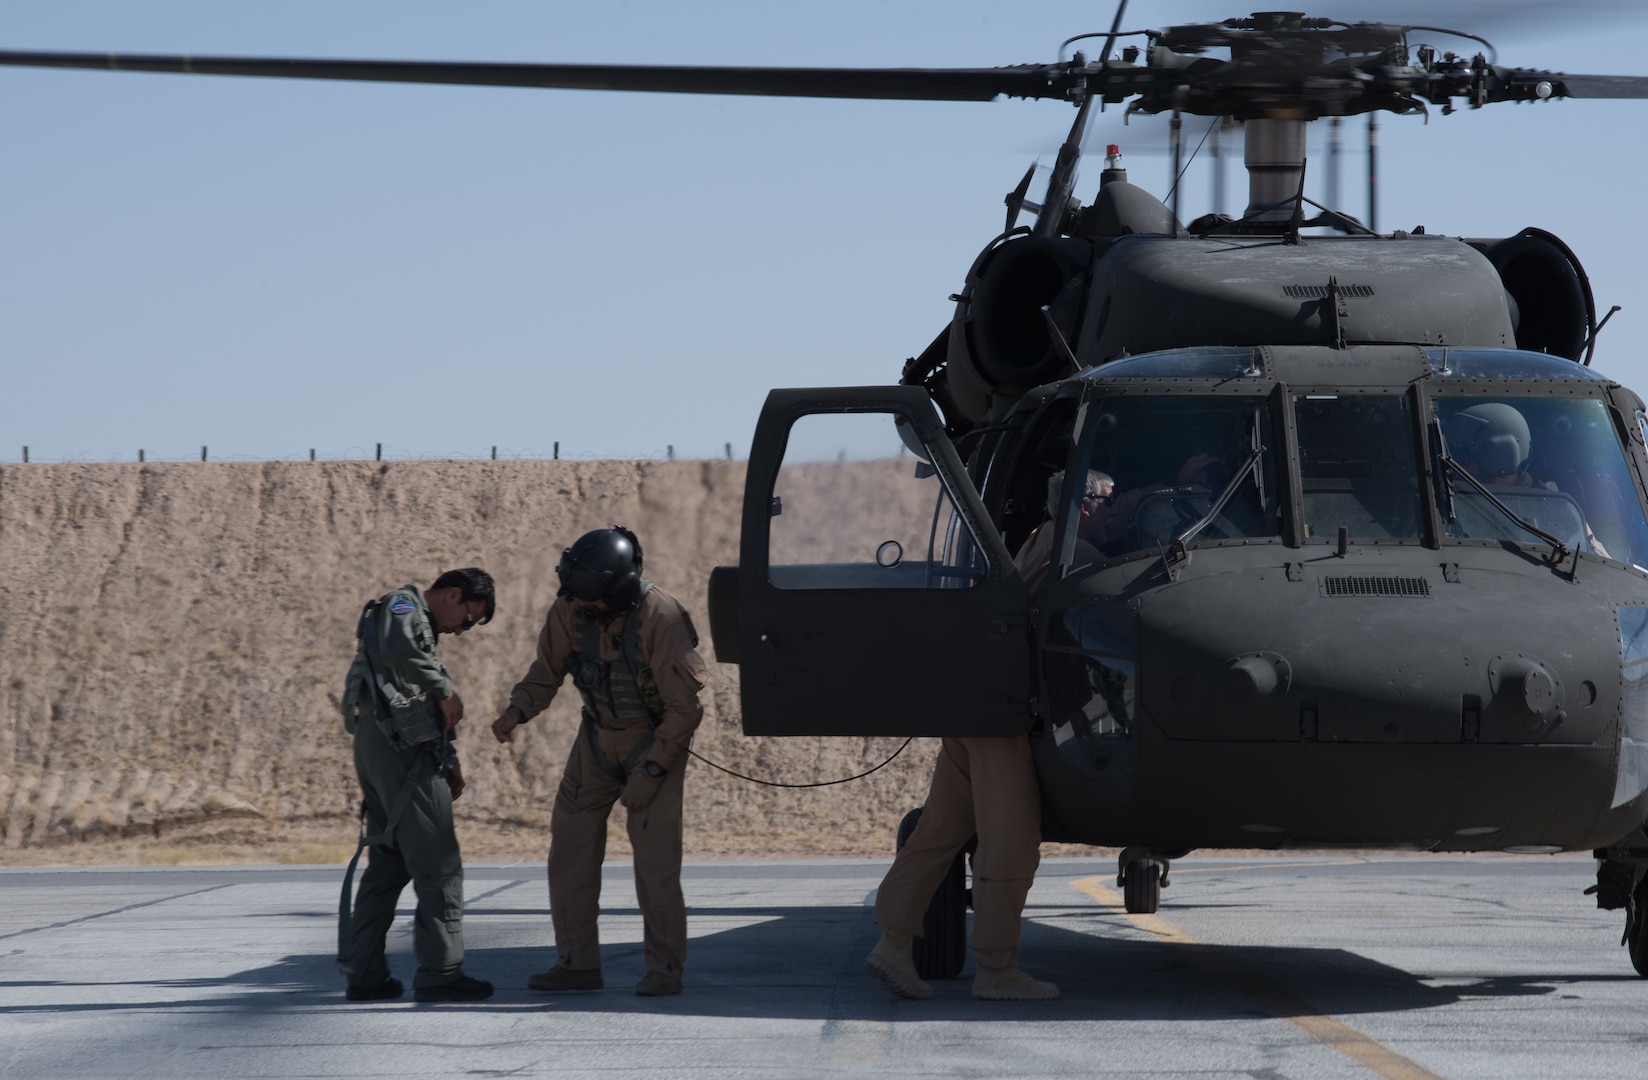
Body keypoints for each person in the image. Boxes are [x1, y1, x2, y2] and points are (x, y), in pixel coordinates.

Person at [863, 473, 1089, 1003]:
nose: (1108, 506)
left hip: (971, 706)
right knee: (1009, 842)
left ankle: (893, 944)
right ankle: (997, 970)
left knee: (938, 833)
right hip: (995, 716)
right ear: (1084, 501)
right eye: (1101, 497)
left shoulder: (1040, 535)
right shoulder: (1069, 545)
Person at [491, 526, 708, 998]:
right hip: (595, 740)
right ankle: (576, 964)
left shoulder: (662, 618)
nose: (584, 609)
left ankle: (664, 969)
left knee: (655, 866)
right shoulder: (571, 605)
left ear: (621, 588)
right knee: (568, 856)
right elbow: (546, 670)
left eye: (593, 601)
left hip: (652, 744)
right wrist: (518, 709)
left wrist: (653, 770)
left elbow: (685, 709)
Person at [339, 567, 497, 1003]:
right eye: (468, 619)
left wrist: (449, 760)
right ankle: (441, 973)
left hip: (392, 749)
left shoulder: (414, 629)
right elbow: (400, 652)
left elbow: (413, 702)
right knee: (439, 865)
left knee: (388, 866)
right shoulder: (404, 607)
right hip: (399, 755)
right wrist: (446, 689)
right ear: (451, 594)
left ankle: (366, 975)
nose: (463, 631)